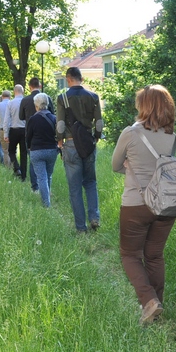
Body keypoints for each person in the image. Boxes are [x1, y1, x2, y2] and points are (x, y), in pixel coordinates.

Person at [112, 85, 176, 325]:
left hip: (136, 203)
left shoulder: (130, 133)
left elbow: (115, 165)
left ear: (144, 106)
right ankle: (156, 306)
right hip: (166, 204)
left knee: (129, 255)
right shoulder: (172, 136)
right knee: (154, 255)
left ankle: (149, 301)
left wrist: (130, 167)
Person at [56, 67, 103, 233]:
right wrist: (96, 136)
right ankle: (94, 217)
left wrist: (60, 141)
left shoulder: (62, 98)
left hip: (70, 144)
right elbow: (99, 122)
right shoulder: (93, 96)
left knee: (75, 188)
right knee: (90, 182)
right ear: (81, 78)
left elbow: (60, 123)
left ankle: (81, 228)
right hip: (88, 143)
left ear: (68, 79)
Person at [20, 77, 55, 192]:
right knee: (47, 172)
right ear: (39, 86)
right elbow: (53, 114)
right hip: (48, 135)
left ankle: (35, 187)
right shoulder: (47, 98)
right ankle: (46, 190)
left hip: (32, 134)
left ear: (29, 87)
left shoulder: (25, 100)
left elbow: (21, 117)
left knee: (33, 161)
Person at [26, 93, 58, 207]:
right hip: (51, 151)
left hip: (37, 151)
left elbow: (28, 136)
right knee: (48, 175)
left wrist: (29, 147)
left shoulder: (33, 119)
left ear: (36, 105)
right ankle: (47, 198)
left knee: (41, 178)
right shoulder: (54, 118)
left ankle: (46, 205)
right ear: (47, 104)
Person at [3, 84, 27, 180]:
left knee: (11, 151)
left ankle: (17, 168)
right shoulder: (27, 101)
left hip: (14, 129)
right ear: (23, 91)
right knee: (24, 153)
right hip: (25, 129)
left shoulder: (11, 103)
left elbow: (6, 119)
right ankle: (24, 175)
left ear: (14, 92)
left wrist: (5, 133)